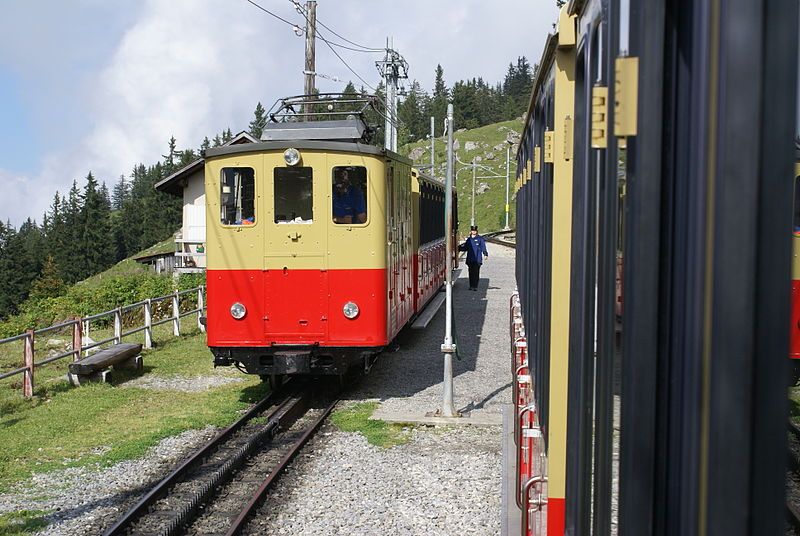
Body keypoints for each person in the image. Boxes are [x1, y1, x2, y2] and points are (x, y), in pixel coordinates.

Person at [459, 225, 488, 291]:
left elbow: (483, 247)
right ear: (471, 231)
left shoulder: (480, 239)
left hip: (477, 259)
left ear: (476, 231)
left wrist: (485, 254)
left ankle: (475, 286)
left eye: (475, 231)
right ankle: (471, 285)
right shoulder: (469, 240)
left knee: (476, 273)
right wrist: (458, 248)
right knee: (470, 272)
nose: (473, 232)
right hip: (470, 259)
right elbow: (465, 247)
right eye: (472, 231)